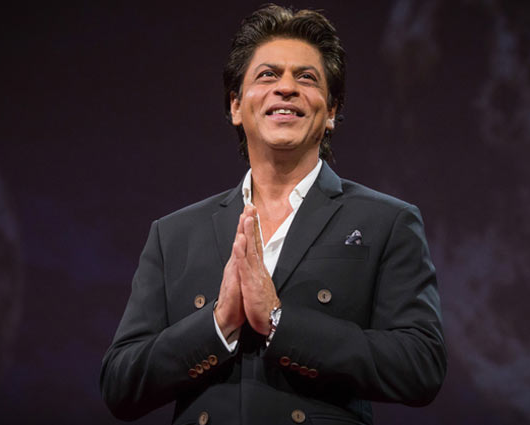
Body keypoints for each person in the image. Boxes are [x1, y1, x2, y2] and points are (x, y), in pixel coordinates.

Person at [100, 5, 446, 424]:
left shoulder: (386, 222)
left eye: (307, 78)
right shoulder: (174, 234)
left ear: (331, 111)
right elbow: (120, 385)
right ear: (235, 105)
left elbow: (420, 366)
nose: (286, 88)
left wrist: (280, 322)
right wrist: (217, 325)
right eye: (267, 75)